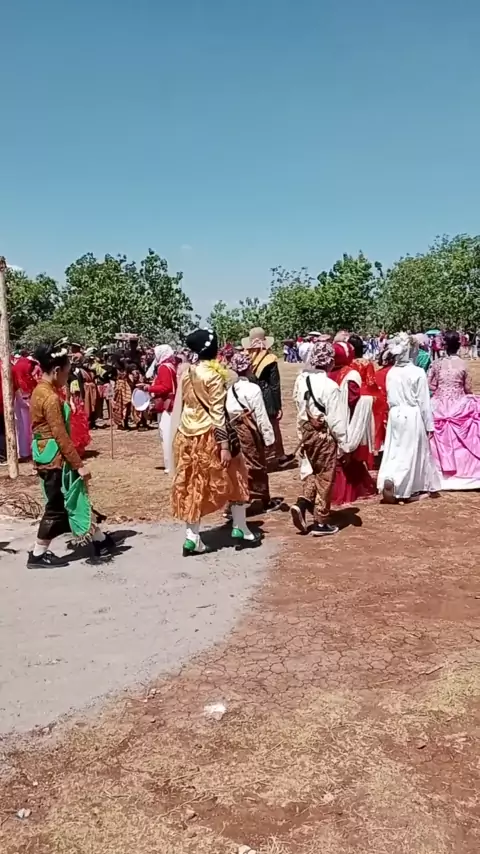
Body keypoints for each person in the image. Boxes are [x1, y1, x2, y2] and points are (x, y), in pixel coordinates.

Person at [171, 329, 261, 556]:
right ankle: (240, 527)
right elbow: (218, 413)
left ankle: (192, 537)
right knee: (236, 475)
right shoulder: (214, 375)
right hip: (210, 435)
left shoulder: (187, 372)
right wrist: (224, 446)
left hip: (186, 434)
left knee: (192, 484)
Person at [28, 342, 116, 568]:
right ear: (57, 370)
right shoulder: (50, 398)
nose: (67, 378)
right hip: (55, 459)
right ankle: (37, 554)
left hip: (45, 455)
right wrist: (79, 465)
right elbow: (60, 435)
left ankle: (100, 540)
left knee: (74, 500)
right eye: (67, 373)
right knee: (57, 508)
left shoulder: (39, 390)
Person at [291, 341, 349, 536]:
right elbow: (337, 421)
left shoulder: (302, 380)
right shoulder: (330, 386)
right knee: (325, 476)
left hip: (306, 432)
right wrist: (344, 444)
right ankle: (321, 521)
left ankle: (302, 504)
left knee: (313, 471)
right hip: (324, 436)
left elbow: (298, 407)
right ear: (330, 362)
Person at [377, 333, 441, 503]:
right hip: (412, 414)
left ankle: (390, 477)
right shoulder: (418, 372)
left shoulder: (391, 372)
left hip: (395, 414)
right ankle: (406, 488)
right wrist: (429, 425)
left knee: (395, 450)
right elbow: (424, 402)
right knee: (411, 452)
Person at [226, 352, 281, 514]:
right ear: (249, 368)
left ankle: (236, 501)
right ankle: (264, 500)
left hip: (234, 431)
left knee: (238, 466)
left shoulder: (231, 389)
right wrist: (269, 438)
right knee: (257, 465)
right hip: (250, 430)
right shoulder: (253, 389)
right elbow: (261, 415)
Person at [428, 331, 480, 489]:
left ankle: (439, 474)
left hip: (439, 404)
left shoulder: (436, 364)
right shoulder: (463, 364)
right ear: (458, 345)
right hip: (459, 404)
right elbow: (468, 387)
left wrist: (440, 390)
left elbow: (430, 384)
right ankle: (466, 474)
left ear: (444, 346)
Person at [328, 342, 376, 504]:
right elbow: (353, 399)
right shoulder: (350, 374)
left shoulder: (326, 373)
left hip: (328, 417)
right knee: (348, 455)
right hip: (346, 417)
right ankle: (350, 489)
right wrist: (369, 401)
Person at [241, 327, 293, 469]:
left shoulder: (246, 358)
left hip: (250, 398)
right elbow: (274, 385)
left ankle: (261, 458)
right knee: (272, 427)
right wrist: (278, 406)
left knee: (256, 428)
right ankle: (279, 457)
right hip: (267, 397)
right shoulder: (269, 360)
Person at [146, 345, 178, 474]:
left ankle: (170, 464)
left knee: (166, 434)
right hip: (171, 404)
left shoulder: (164, 367)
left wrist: (149, 388)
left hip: (167, 405)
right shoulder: (171, 366)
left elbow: (165, 387)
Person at [12, 350, 37, 460]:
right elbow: (29, 379)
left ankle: (24, 451)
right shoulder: (28, 365)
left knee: (21, 426)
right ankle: (29, 450)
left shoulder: (15, 366)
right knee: (29, 425)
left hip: (18, 395)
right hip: (26, 395)